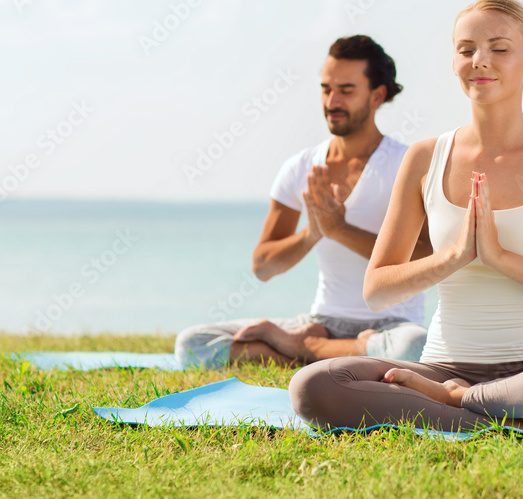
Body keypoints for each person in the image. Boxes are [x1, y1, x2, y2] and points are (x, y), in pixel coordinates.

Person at [289, 0, 523, 434]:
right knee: (314, 386)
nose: (480, 61)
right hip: (443, 367)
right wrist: (453, 257)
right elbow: (377, 289)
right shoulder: (426, 158)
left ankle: (466, 406)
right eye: (466, 50)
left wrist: (500, 257)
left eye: (499, 48)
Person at [175, 35, 431, 368]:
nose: (332, 100)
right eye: (326, 89)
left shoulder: (406, 164)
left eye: (346, 90)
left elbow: (427, 256)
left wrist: (339, 230)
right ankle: (322, 348)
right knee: (193, 345)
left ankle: (301, 349)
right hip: (322, 321)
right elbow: (263, 266)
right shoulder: (301, 167)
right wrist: (312, 234)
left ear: (377, 95)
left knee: (415, 349)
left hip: (391, 327)